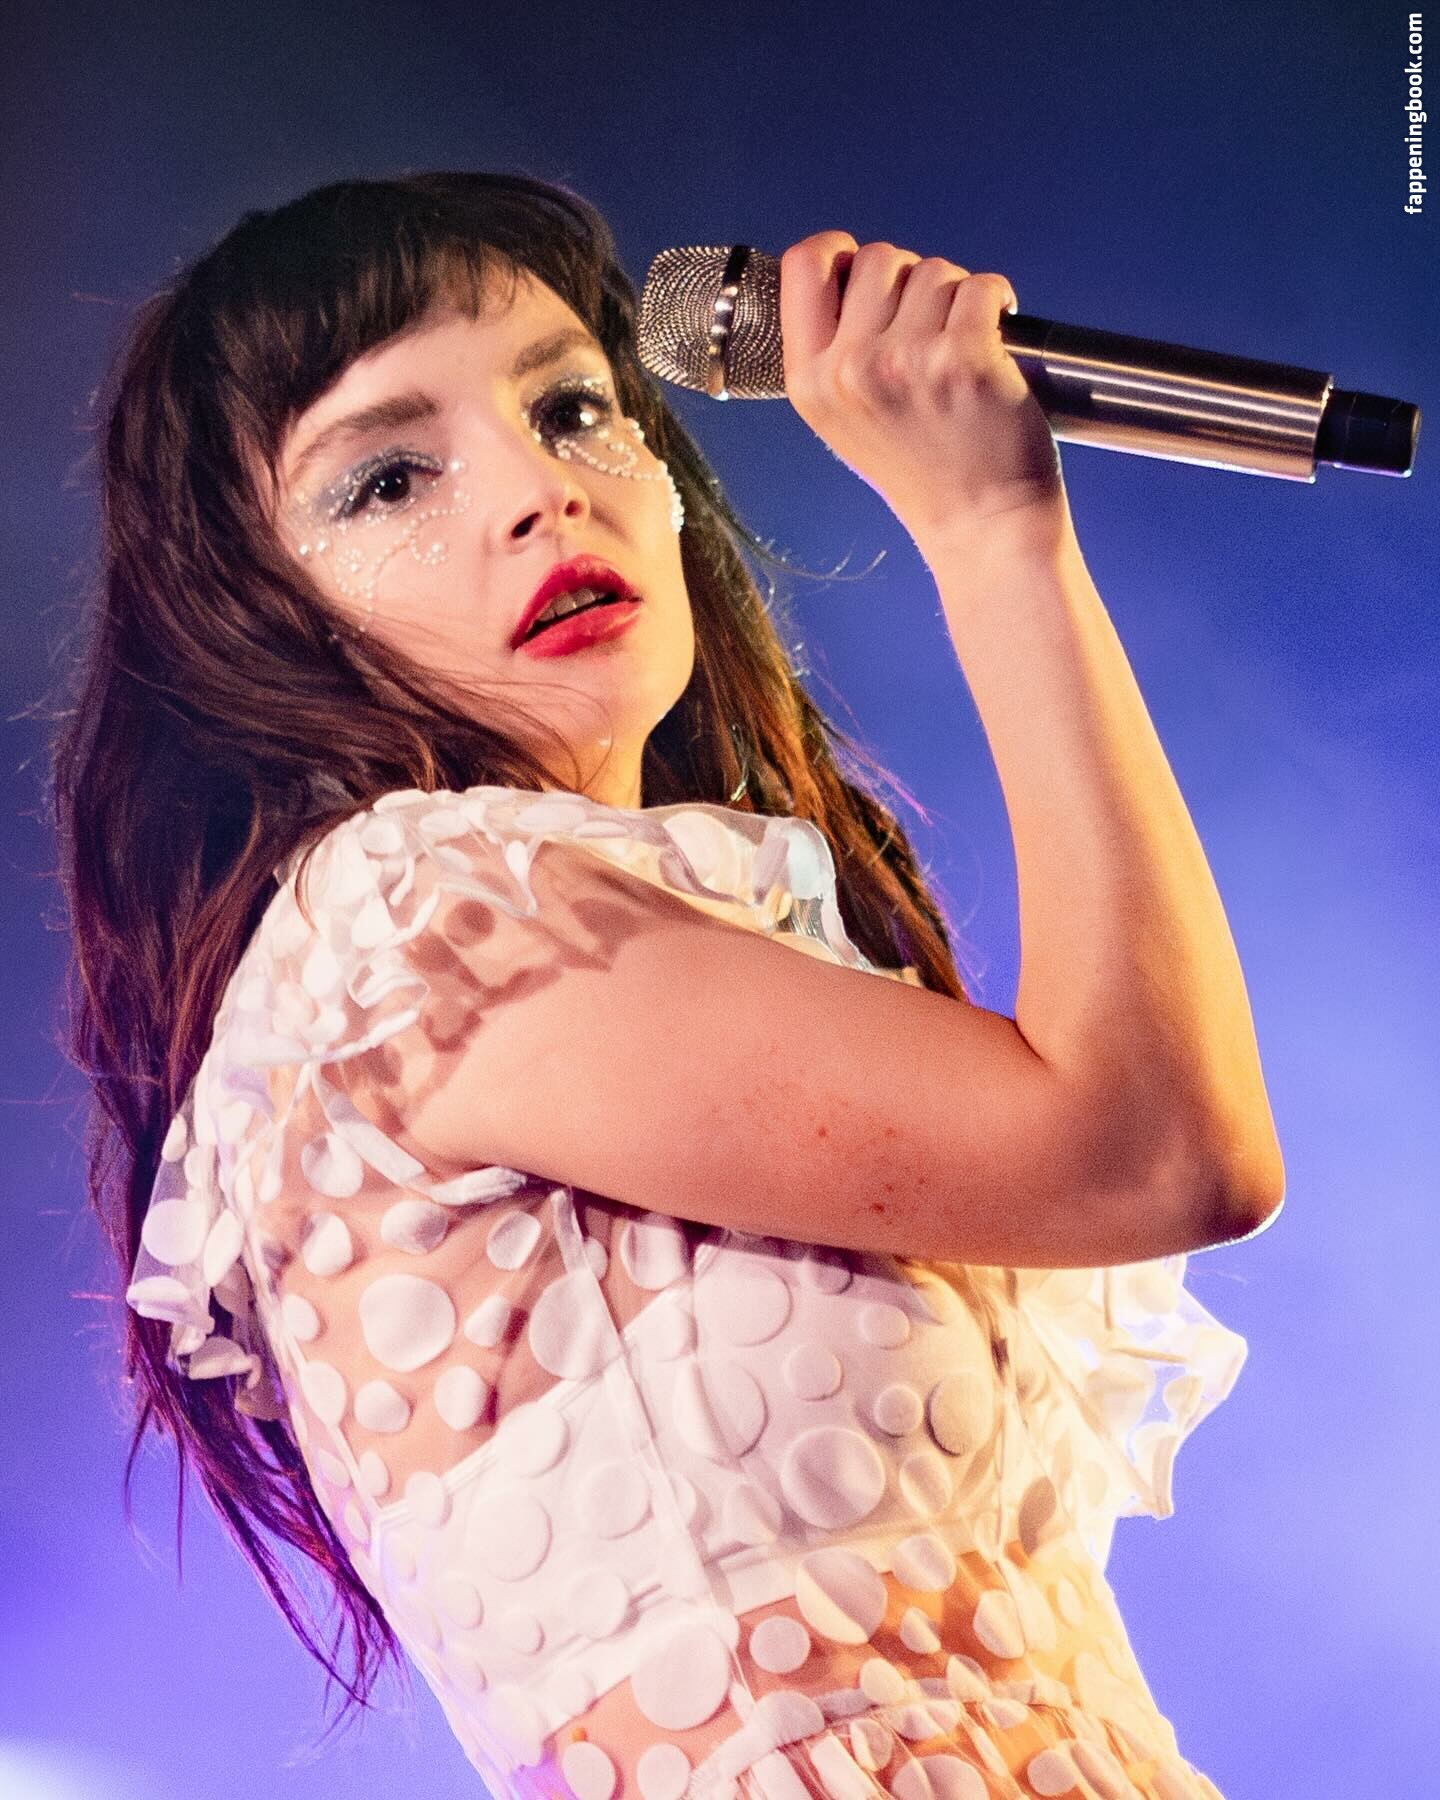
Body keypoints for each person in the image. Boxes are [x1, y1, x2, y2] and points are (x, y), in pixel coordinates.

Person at [53, 170, 1285, 1800]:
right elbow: (1159, 1148)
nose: (540, 493)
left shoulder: (645, 946)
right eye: (389, 478)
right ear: (257, 624)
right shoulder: (412, 928)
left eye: (573, 408)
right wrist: (993, 533)